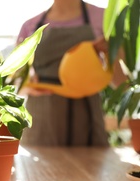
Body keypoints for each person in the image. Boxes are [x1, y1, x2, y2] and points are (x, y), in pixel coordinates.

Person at [15, 0, 124, 146]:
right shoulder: (30, 26)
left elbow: (120, 83)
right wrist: (30, 85)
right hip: (41, 122)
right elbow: (16, 84)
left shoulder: (104, 18)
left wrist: (111, 54)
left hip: (87, 120)